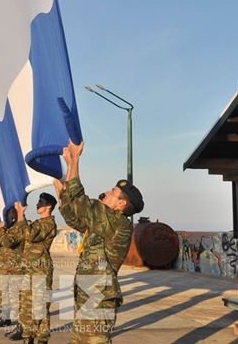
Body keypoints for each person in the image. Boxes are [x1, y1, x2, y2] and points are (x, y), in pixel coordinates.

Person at [54, 140, 144, 344]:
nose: (106, 192)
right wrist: (61, 191)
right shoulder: (103, 225)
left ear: (122, 203)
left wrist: (74, 161)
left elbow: (83, 204)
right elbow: (74, 216)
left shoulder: (119, 224)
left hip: (99, 298)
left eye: (113, 192)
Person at [16, 193, 58, 344]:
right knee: (27, 304)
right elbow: (22, 234)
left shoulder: (48, 223)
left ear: (48, 206)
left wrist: (21, 215)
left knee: (39, 305)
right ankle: (28, 337)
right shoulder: (38, 222)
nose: (38, 204)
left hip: (41, 269)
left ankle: (42, 338)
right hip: (29, 269)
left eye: (41, 202)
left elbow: (30, 234)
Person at [0, 206, 25, 330]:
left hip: (16, 269)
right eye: (7, 214)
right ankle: (6, 318)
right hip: (4, 268)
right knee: (4, 295)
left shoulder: (20, 227)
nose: (8, 217)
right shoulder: (6, 229)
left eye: (10, 214)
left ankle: (22, 324)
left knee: (18, 297)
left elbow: (8, 242)